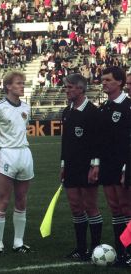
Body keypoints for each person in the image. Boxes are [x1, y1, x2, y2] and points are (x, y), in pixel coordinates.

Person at [0, 71, 33, 254]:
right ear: (8, 86)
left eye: (23, 83)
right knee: (3, 200)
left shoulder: (26, 107)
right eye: (18, 83)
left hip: (24, 154)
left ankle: (18, 242)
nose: (22, 86)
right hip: (6, 154)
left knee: (22, 199)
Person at [60, 74, 102, 260]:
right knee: (76, 207)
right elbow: (65, 142)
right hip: (70, 167)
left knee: (90, 206)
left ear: (80, 89)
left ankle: (95, 248)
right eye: (66, 87)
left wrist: (95, 165)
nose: (67, 90)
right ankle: (81, 248)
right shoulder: (66, 112)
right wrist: (63, 164)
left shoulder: (93, 112)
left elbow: (98, 143)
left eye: (70, 87)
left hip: (87, 166)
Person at [93, 66, 131, 266]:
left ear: (119, 82)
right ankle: (121, 251)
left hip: (124, 166)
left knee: (127, 208)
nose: (104, 83)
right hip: (107, 166)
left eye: (107, 80)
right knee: (115, 209)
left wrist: (127, 167)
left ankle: (129, 250)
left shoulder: (128, 106)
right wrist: (96, 164)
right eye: (103, 80)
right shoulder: (104, 108)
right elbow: (99, 142)